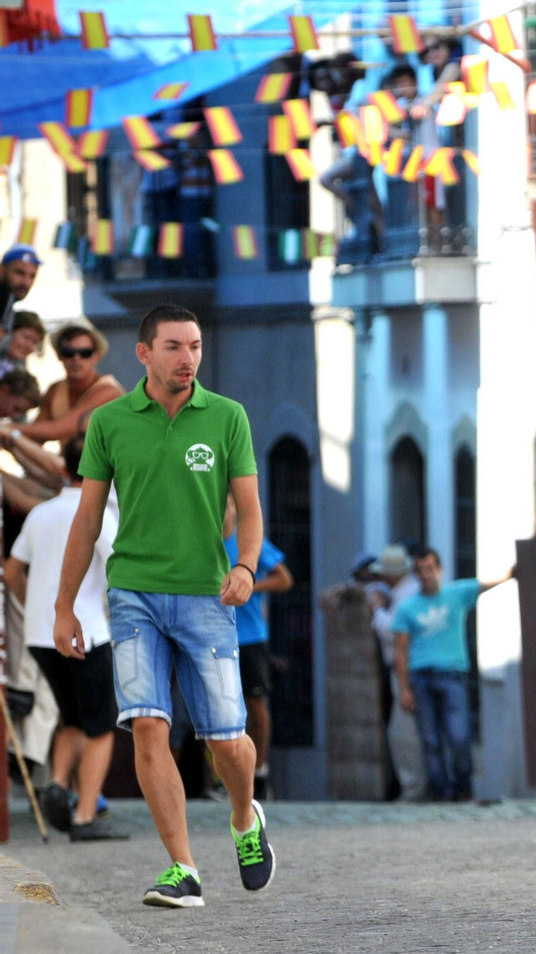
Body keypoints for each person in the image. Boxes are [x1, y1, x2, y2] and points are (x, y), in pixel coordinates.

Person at [53, 304, 272, 907]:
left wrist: (246, 567)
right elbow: (88, 519)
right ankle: (183, 869)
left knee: (226, 740)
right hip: (134, 596)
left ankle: (243, 817)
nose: (188, 358)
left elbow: (249, 511)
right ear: (144, 353)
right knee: (147, 724)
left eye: (196, 346)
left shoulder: (227, 417)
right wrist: (65, 606)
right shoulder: (110, 421)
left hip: (207, 595)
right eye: (174, 346)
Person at [6, 435, 126, 840]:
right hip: (87, 631)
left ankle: (57, 783)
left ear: (62, 468)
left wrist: (34, 606)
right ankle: (85, 816)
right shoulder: (99, 513)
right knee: (102, 726)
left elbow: (11, 572)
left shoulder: (40, 513)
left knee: (71, 718)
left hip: (42, 635)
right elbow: (119, 570)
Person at [393, 548, 513, 802]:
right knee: (430, 739)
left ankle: (462, 787)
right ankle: (440, 791)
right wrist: (404, 688)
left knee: (459, 735)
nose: (425, 575)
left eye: (429, 569)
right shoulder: (407, 607)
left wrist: (517, 569)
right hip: (421, 677)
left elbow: (492, 582)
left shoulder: (457, 593)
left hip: (452, 675)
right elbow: (400, 650)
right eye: (420, 571)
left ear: (439, 569)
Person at [222, 496, 293, 801]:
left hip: (249, 636)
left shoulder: (249, 541)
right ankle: (224, 779)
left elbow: (284, 579)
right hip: (213, 635)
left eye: (225, 504)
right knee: (218, 710)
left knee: (255, 704)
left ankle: (260, 771)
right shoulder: (203, 541)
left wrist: (248, 583)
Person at [366, 544, 427, 801]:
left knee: (404, 733)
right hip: (408, 668)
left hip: (405, 669)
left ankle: (413, 790)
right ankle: (415, 787)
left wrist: (377, 609)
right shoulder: (404, 590)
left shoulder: (404, 595)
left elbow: (392, 632)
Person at [23, 320, 124, 443]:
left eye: (85, 353)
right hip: (70, 461)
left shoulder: (109, 391)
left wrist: (8, 430)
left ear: (96, 356)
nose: (76, 359)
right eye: (69, 353)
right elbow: (33, 438)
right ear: (59, 355)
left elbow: (56, 430)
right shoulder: (55, 389)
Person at [0, 245, 40, 335]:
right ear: (2, 269)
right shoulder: (5, 295)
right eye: (20, 273)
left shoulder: (9, 300)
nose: (26, 282)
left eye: (32, 276)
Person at [1, 310, 44, 377]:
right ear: (8, 333)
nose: (30, 346)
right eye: (26, 337)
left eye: (35, 342)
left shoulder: (20, 370)